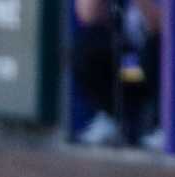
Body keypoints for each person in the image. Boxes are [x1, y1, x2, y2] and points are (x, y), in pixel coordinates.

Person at [71, 0, 166, 149]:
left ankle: (167, 125)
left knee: (154, 50)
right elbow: (87, 15)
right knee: (87, 45)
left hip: (158, 70)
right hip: (131, 73)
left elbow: (161, 25)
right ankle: (111, 118)